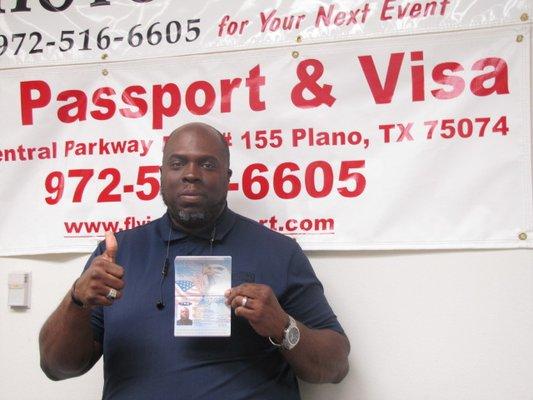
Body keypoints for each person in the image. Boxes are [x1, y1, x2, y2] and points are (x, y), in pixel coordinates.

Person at [39, 122, 350, 399]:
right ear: (161, 174)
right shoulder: (117, 254)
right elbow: (56, 367)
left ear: (227, 177)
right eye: (177, 163)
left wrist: (282, 326)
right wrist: (77, 300)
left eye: (207, 164)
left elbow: (335, 367)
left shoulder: (279, 252)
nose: (191, 174)